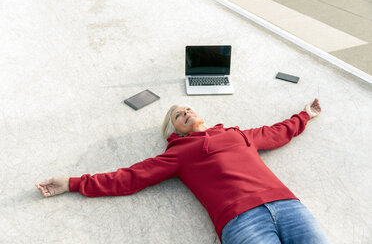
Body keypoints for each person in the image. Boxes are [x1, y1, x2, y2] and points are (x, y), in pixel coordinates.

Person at [35, 98, 331, 244]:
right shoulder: (178, 154)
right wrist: (72, 183)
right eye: (179, 115)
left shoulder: (235, 133)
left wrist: (305, 115)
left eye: (188, 109)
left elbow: (277, 132)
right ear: (173, 130)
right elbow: (130, 177)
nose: (186, 112)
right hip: (241, 221)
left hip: (288, 206)